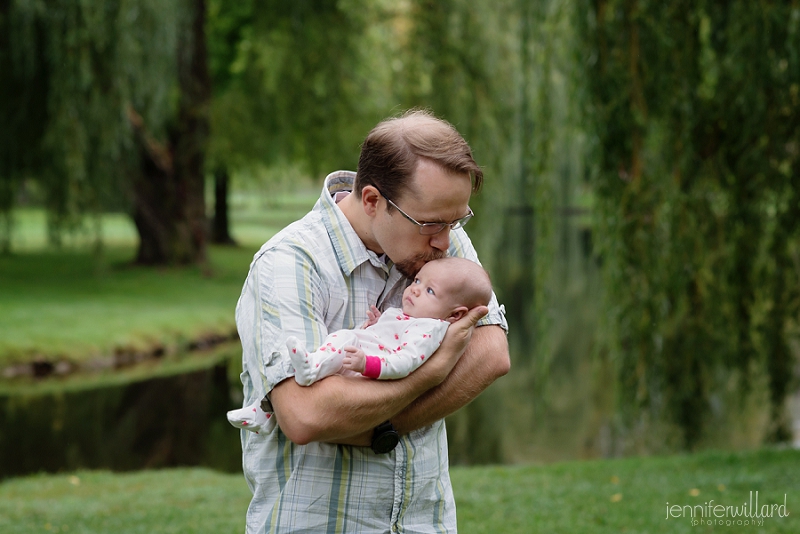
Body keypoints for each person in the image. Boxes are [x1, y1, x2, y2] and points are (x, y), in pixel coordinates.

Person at [235, 110, 510, 533]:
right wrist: (429, 374)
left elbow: (491, 355)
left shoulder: (443, 243)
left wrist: (368, 426)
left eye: (457, 221)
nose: (445, 240)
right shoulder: (291, 263)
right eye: (431, 224)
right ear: (372, 200)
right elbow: (306, 415)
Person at [228, 257, 493, 433]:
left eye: (430, 291)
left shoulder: (431, 330)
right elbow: (392, 333)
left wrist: (368, 365)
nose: (414, 290)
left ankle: (308, 369)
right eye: (417, 281)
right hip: (363, 354)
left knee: (341, 342)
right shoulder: (415, 316)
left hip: (367, 369)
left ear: (455, 315)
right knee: (335, 349)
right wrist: (378, 323)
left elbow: (406, 362)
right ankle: (263, 412)